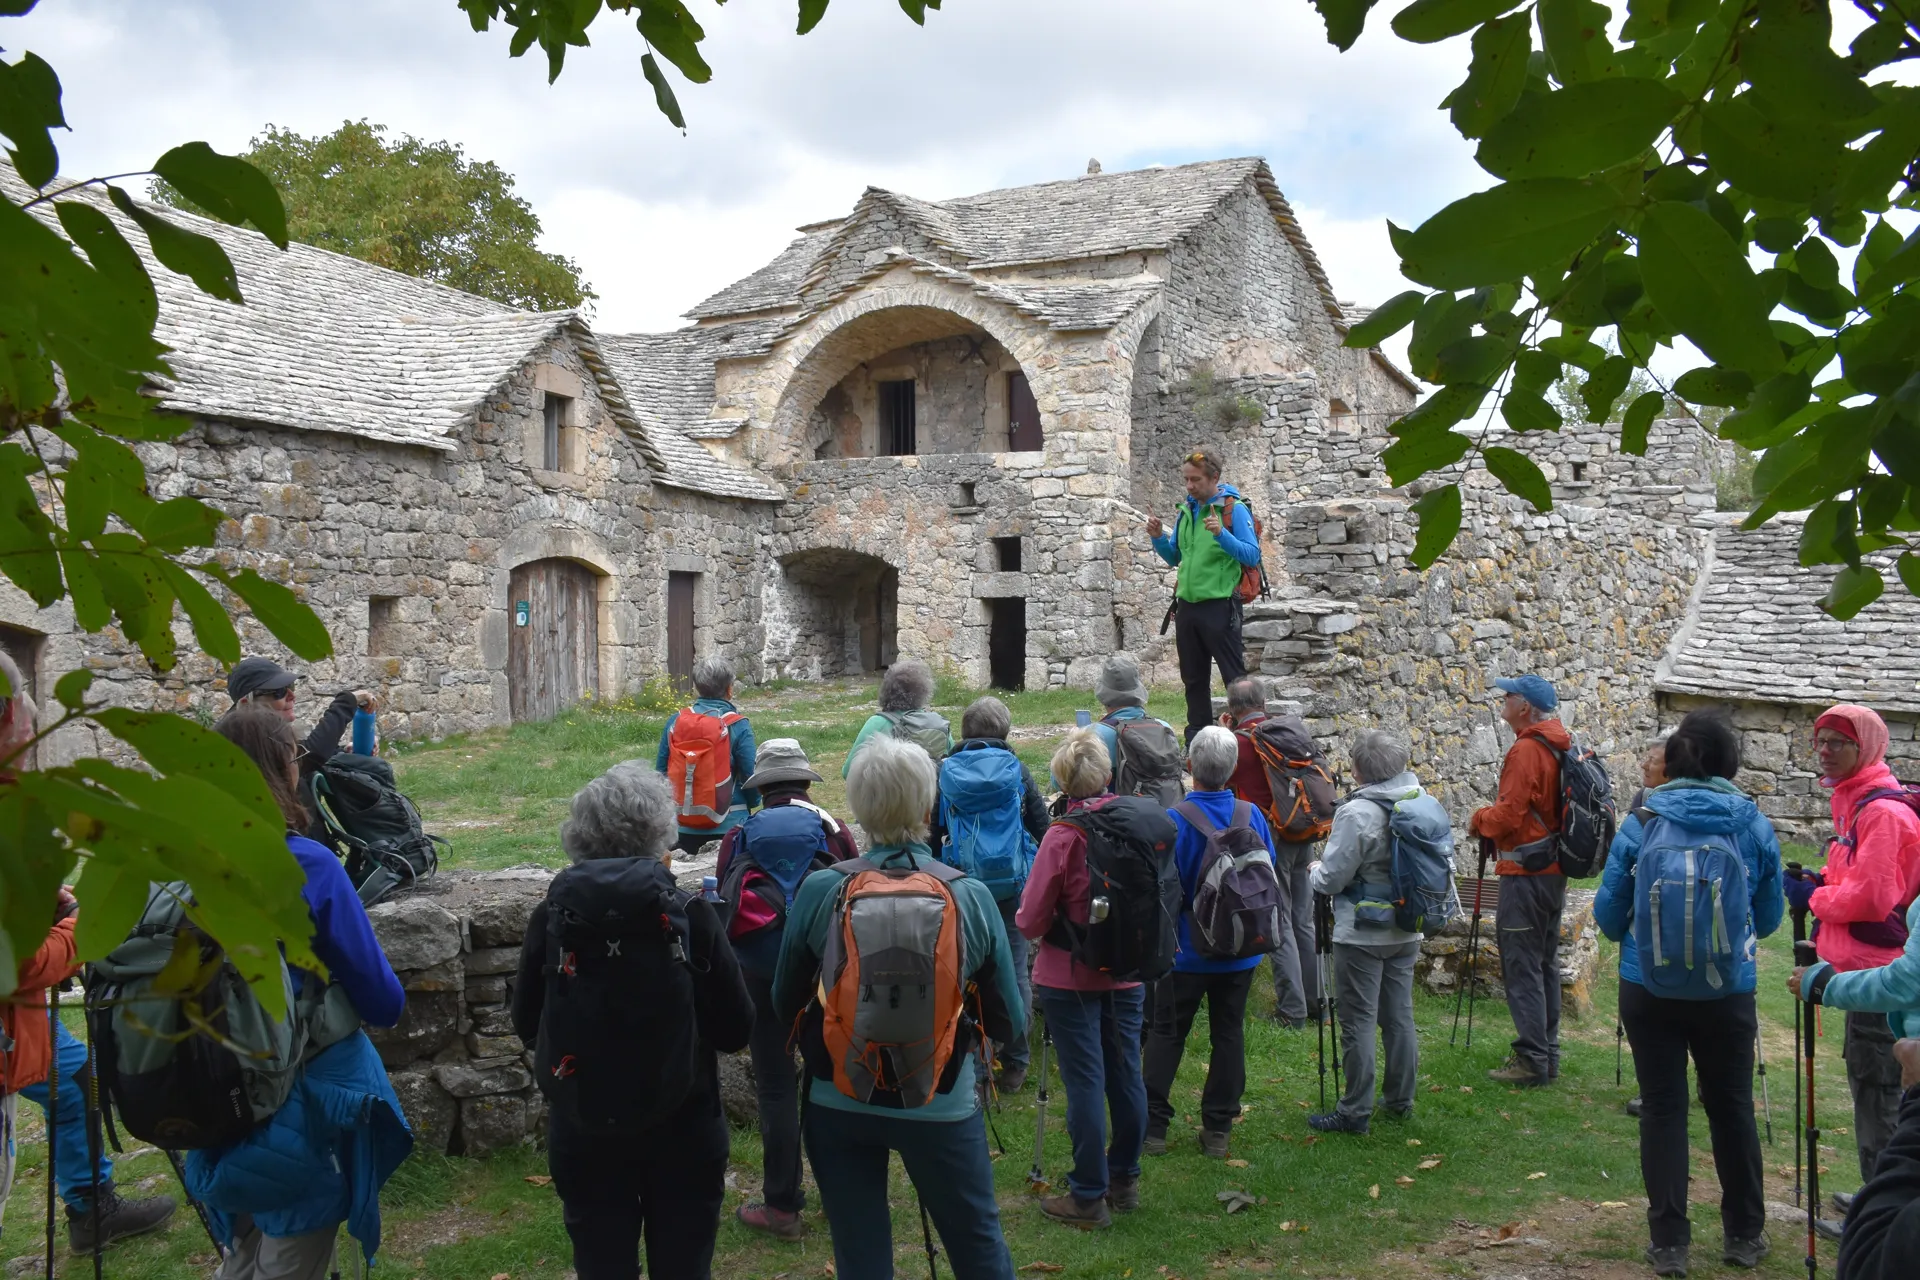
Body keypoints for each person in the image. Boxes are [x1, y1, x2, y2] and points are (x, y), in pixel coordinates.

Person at [773, 735, 1022, 1280]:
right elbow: (1011, 1019)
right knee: (977, 1244)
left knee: (860, 1254)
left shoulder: (821, 890)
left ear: (858, 806)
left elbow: (782, 999)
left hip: (838, 1092)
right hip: (940, 1095)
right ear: (928, 806)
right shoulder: (968, 895)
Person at [190, 705, 411, 1280]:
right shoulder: (305, 864)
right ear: (279, 770)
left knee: (242, 1249)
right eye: (292, 757)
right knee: (292, 1255)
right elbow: (383, 999)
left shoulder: (181, 862)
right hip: (289, 1088)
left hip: (205, 1082)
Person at [513, 761, 755, 1279]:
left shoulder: (554, 916)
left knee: (601, 1265)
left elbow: (526, 1022)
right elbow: (736, 1029)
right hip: (684, 1120)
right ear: (660, 832)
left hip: (584, 1121)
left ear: (579, 835)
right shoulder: (688, 912)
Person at [1593, 708, 1785, 1277]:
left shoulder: (1643, 819)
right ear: (1730, 762)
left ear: (1672, 760)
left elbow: (1607, 914)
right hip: (1727, 988)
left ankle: (1670, 1242)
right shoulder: (1750, 823)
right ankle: (1744, 1235)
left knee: (1663, 1109)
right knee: (1731, 1107)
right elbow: (1770, 916)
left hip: (1648, 984)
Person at [0, 653, 179, 1250]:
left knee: (74, 1074)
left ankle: (91, 1209)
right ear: (8, 720)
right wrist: (82, 929)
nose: (33, 729)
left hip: (17, 1027)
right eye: (27, 717)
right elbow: (20, 964)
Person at [716, 738, 857, 1241]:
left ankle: (781, 1206)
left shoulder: (742, 834)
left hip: (760, 974)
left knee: (776, 1088)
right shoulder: (831, 829)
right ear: (803, 782)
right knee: (828, 1081)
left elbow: (724, 906)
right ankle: (844, 1194)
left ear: (765, 787)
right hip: (824, 975)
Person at [1783, 703, 1920, 1210]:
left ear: (1866, 746)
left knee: (1882, 1091)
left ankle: (1884, 1212)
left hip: (1880, 974)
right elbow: (1856, 878)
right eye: (1819, 741)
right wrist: (1820, 880)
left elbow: (1873, 899)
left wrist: (1813, 900)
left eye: (1837, 742)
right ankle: (1876, 1194)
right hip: (1864, 965)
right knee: (1872, 1087)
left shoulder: (1881, 811)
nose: (1824, 751)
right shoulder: (1856, 802)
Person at [1016, 728, 1148, 1228]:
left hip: (1069, 974)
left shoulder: (1064, 834)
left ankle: (1088, 1194)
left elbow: (1028, 919)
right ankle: (1124, 1178)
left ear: (1062, 781)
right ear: (1110, 773)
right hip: (1129, 970)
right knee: (1125, 1073)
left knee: (1086, 1081)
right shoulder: (1139, 823)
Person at [1143, 726, 1271, 1160]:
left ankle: (1153, 1128)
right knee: (1228, 1034)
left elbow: (1165, 889)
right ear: (1233, 768)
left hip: (1186, 952)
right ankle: (1217, 1130)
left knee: (1167, 1033)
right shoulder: (1251, 816)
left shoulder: (1175, 820)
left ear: (1190, 766)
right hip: (1239, 949)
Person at [1305, 730, 1429, 1135]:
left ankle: (1355, 1111)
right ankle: (1401, 1100)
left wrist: (1313, 873)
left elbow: (1332, 879)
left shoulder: (1356, 813)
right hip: (1408, 924)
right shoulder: (1419, 801)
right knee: (1399, 1017)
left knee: (1357, 1022)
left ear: (1359, 770)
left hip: (1361, 931)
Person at [933, 696, 1050, 1092]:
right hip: (1011, 886)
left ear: (964, 731)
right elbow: (1042, 825)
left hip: (962, 887)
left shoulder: (945, 772)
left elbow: (933, 833)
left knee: (965, 973)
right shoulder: (1016, 770)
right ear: (1004, 732)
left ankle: (978, 1066)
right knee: (1015, 971)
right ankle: (1016, 1061)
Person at [1468, 674, 1572, 1088]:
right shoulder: (1559, 742)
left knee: (1522, 964)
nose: (1503, 700)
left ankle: (1532, 1059)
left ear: (1525, 707)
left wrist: (1478, 820)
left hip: (1525, 873)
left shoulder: (1527, 750)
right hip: (1551, 871)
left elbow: (1507, 816)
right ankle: (1547, 1053)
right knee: (1543, 962)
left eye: (1508, 696)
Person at [1222, 676, 1320, 1030]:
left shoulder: (1238, 743)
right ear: (1263, 703)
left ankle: (1292, 1010)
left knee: (1278, 919)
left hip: (1269, 837)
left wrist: (1224, 734)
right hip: (1301, 828)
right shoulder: (1289, 734)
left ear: (1233, 709)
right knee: (1303, 920)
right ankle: (1317, 999)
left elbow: (1213, 774)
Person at [1146, 448, 1259, 743]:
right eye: (1186, 479)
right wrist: (1157, 536)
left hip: (1220, 606)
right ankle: (1196, 742)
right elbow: (1174, 557)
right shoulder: (1187, 511)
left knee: (1235, 679)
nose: (1189, 486)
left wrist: (1222, 533)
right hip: (1187, 607)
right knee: (1193, 681)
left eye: (1195, 480)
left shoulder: (1234, 509)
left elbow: (1252, 555)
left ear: (1214, 478)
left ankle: (1249, 739)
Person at [227, 654, 377, 811]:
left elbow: (301, 754)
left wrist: (341, 752)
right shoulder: (241, 742)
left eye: (290, 686)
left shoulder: (258, 732)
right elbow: (309, 757)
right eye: (278, 692)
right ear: (246, 704)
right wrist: (347, 701)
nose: (292, 696)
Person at [655, 656, 759, 855]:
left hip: (681, 825)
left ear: (697, 688)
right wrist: (752, 803)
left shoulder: (676, 721)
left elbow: (660, 772)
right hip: (729, 826)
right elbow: (750, 775)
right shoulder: (737, 724)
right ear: (730, 689)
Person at [1837, 1038, 1920, 1280]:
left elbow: (1870, 1262)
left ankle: (1868, 1205)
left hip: (1877, 1054)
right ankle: (1865, 1199)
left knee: (1877, 1132)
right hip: (1870, 1049)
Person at [1086, 654, 1183, 805]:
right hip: (1163, 818)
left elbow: (1060, 782)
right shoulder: (1164, 728)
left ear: (1103, 695)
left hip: (1113, 822)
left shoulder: (1094, 735)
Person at [843, 658, 951, 776]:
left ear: (886, 689)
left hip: (892, 792)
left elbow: (848, 771)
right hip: (931, 792)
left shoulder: (878, 723)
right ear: (924, 692)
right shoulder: (937, 723)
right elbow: (952, 763)